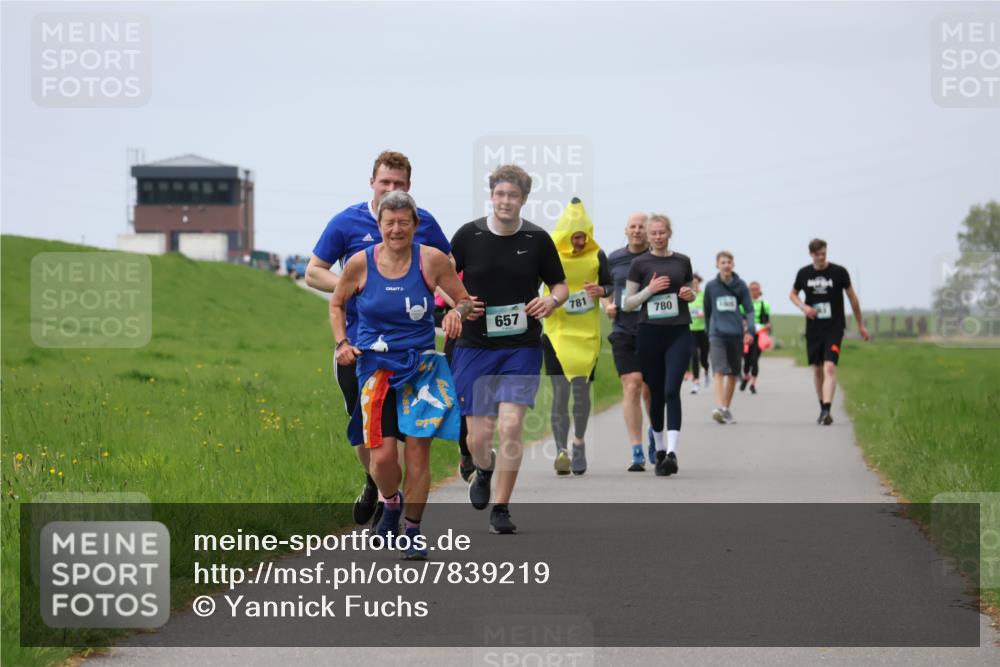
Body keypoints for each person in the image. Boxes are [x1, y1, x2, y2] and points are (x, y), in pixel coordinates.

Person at [306, 151, 452, 528]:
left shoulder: (425, 224)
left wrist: (452, 309)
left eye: (399, 184)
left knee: (411, 443)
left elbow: (447, 274)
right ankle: (376, 483)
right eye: (385, 182)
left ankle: (400, 513)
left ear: (409, 187)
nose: (391, 189)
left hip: (413, 350)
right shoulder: (346, 222)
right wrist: (355, 288)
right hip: (358, 348)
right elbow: (313, 273)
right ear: (372, 182)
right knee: (366, 431)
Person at [330, 191, 472, 559]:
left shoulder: (432, 260)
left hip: (421, 368)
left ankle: (412, 530)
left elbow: (465, 299)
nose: (396, 230)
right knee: (381, 459)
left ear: (415, 225)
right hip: (375, 369)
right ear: (378, 226)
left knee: (418, 456)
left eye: (403, 223)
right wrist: (342, 343)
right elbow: (337, 303)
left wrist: (457, 312)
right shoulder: (360, 264)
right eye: (389, 223)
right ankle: (390, 502)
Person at [450, 164, 568, 534]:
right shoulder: (469, 235)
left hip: (521, 346)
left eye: (512, 195)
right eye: (500, 194)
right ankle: (483, 466)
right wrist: (459, 302)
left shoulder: (537, 239)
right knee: (479, 436)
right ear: (492, 195)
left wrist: (550, 302)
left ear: (524, 199)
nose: (505, 201)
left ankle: (501, 508)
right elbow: (442, 278)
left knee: (512, 425)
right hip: (475, 346)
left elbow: (560, 286)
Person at [542, 198, 612, 476]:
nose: (580, 241)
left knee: (581, 394)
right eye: (575, 236)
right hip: (556, 333)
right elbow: (532, 284)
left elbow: (611, 284)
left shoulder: (597, 256)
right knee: (560, 393)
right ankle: (561, 451)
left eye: (584, 236)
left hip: (585, 334)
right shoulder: (550, 255)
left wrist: (602, 291)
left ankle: (579, 443)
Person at [622, 214, 695, 477]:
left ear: (669, 233)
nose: (657, 236)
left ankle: (673, 453)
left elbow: (690, 292)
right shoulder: (640, 263)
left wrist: (690, 294)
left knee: (672, 390)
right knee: (655, 393)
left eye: (661, 232)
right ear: (648, 236)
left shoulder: (682, 261)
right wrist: (649, 290)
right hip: (649, 333)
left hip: (678, 332)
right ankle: (660, 449)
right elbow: (627, 303)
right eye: (653, 233)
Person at [790, 238, 870, 425]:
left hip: (834, 327)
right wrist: (804, 307)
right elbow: (792, 294)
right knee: (818, 370)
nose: (821, 257)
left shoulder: (839, 272)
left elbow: (853, 299)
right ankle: (822, 408)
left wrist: (861, 325)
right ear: (811, 254)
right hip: (814, 328)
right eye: (818, 255)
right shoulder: (804, 273)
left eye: (824, 254)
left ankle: (827, 410)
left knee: (829, 367)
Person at [604, 213, 654, 472]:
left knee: (649, 389)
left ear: (649, 231)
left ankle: (654, 434)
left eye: (641, 227)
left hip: (652, 329)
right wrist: (607, 305)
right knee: (632, 384)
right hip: (623, 329)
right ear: (626, 230)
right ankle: (636, 449)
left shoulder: (657, 258)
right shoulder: (614, 258)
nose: (637, 231)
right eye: (633, 226)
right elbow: (605, 288)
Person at [703, 251, 755, 425]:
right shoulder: (711, 286)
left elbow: (749, 309)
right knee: (718, 370)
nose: (726, 265)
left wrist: (750, 330)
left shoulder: (741, 286)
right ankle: (719, 408)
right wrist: (708, 331)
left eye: (729, 262)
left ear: (733, 265)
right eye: (722, 262)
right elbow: (708, 310)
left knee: (732, 373)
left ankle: (725, 408)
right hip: (716, 334)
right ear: (717, 265)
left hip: (736, 334)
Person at [740, 281, 771, 394]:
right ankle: (746, 376)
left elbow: (766, 320)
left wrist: (768, 325)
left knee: (754, 359)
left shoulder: (764, 304)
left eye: (756, 289)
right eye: (751, 289)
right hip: (748, 334)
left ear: (759, 291)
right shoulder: (744, 304)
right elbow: (742, 317)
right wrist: (743, 323)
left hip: (760, 335)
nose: (754, 291)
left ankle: (753, 384)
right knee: (746, 361)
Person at [688, 274, 711, 395]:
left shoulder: (703, 295)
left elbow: (709, 309)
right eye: (692, 283)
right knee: (694, 356)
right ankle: (696, 382)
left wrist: (705, 314)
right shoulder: (687, 296)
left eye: (696, 283)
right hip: (691, 330)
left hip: (703, 330)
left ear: (699, 283)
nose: (694, 285)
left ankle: (706, 371)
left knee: (703, 358)